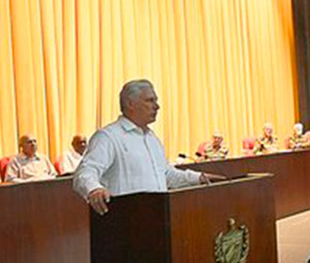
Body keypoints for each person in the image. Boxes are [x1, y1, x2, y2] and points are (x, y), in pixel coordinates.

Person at [73, 79, 225, 215]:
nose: (157, 106)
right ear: (130, 104)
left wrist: (199, 178)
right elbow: (84, 173)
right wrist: (94, 189)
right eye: (150, 101)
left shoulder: (152, 139)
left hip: (157, 218)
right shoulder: (109, 137)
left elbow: (166, 175)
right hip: (124, 221)